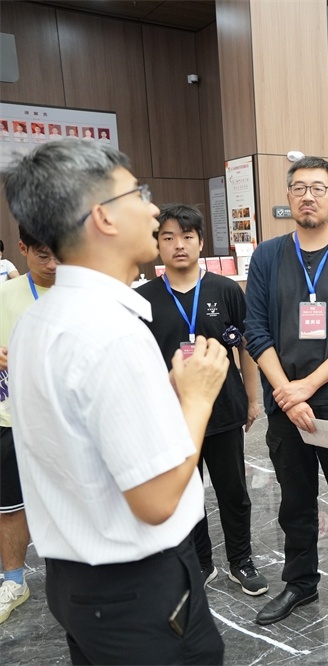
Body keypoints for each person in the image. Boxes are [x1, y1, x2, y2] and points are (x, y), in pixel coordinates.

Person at [2, 138, 228, 663]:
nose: (153, 209)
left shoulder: (40, 318)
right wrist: (195, 399)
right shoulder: (110, 333)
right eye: (139, 194)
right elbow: (155, 501)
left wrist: (166, 394)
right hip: (139, 594)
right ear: (102, 216)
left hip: (77, 585)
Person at [244, 156, 328, 635]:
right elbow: (255, 330)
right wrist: (287, 392)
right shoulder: (267, 256)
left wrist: (306, 386)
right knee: (295, 505)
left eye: (318, 188)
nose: (308, 195)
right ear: (288, 198)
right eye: (299, 187)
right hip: (287, 410)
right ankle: (300, 583)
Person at [136, 204, 267, 595]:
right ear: (157, 244)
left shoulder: (225, 290)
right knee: (185, 496)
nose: (179, 245)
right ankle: (201, 561)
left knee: (234, 493)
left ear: (201, 242)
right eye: (169, 237)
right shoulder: (143, 299)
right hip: (171, 416)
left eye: (187, 237)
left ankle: (240, 561)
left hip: (224, 409)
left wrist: (252, 398)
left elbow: (246, 347)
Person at [0, 226, 58, 624]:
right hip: (11, 419)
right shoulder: (4, 295)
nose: (53, 265)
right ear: (22, 249)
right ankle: (15, 580)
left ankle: (75, 580)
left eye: (60, 254)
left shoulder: (82, 296)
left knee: (68, 504)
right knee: (10, 506)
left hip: (66, 423)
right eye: (42, 256)